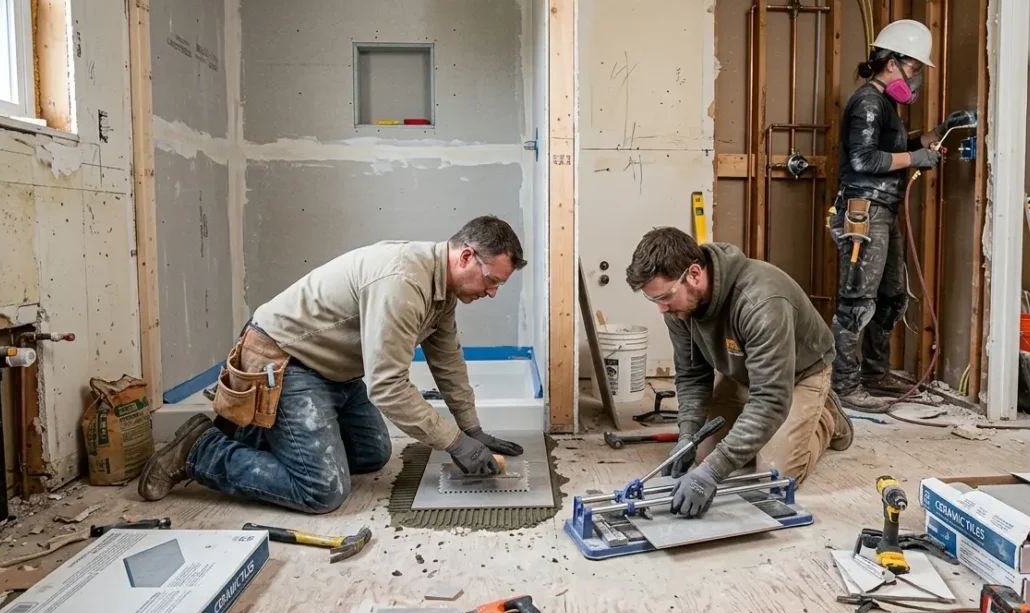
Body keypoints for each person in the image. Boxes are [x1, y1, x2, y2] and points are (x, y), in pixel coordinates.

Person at [138, 216, 529, 513]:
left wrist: (472, 428)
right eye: (492, 280)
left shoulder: (441, 289)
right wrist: (455, 443)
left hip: (331, 371)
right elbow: (388, 388)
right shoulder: (403, 280)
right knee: (322, 490)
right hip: (285, 361)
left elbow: (447, 360)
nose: (493, 292)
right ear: (465, 257)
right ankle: (199, 451)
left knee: (372, 454)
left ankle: (257, 438)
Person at [625, 227, 854, 517]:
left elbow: (769, 399)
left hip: (797, 375)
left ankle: (825, 417)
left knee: (774, 477)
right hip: (741, 372)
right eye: (653, 299)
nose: (660, 308)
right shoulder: (677, 308)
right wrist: (687, 435)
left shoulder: (761, 301)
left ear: (694, 274)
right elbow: (693, 375)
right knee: (700, 454)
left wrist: (713, 473)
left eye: (665, 296)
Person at [829, 19, 975, 412]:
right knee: (857, 301)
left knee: (892, 297)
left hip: (883, 210)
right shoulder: (868, 102)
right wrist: (915, 158)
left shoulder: (885, 105)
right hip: (864, 211)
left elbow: (893, 144)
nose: (915, 78)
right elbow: (863, 157)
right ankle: (844, 385)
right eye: (913, 68)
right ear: (890, 62)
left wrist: (936, 134)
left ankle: (874, 374)